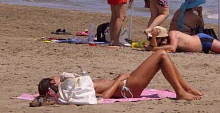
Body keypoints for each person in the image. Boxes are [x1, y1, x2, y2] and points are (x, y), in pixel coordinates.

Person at [37, 50, 203, 101]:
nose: (59, 76)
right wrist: (117, 80)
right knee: (161, 55)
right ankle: (181, 92)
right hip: (127, 87)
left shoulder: (72, 90)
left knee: (162, 56)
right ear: (53, 81)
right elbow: (103, 97)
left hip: (125, 86)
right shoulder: (73, 88)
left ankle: (185, 88)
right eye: (56, 77)